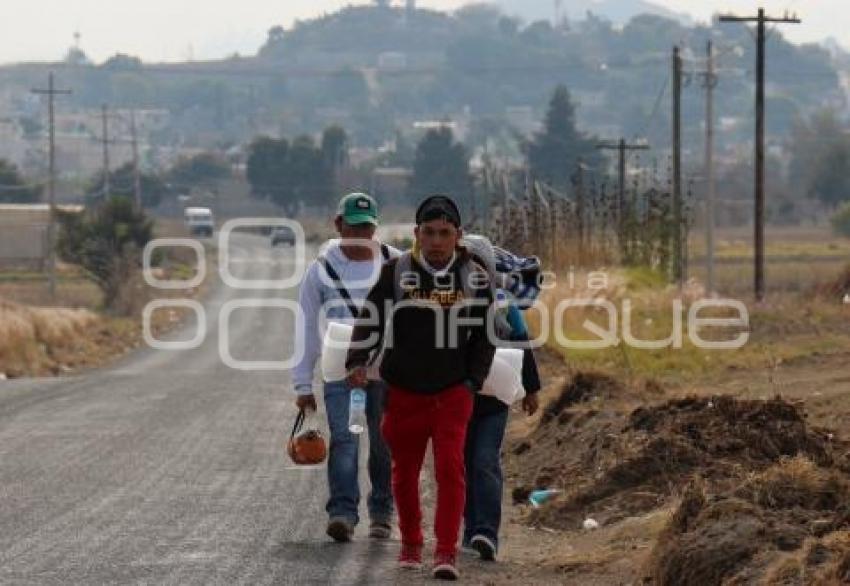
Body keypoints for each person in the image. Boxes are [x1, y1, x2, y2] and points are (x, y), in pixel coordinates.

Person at [346, 195, 496, 580]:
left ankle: (446, 553)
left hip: (452, 392)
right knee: (404, 472)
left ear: (458, 235)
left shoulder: (475, 277)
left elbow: (486, 335)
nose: (436, 241)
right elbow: (370, 320)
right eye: (428, 233)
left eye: (445, 233)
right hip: (404, 391)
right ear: (417, 234)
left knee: (450, 468)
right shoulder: (396, 272)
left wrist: (472, 382)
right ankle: (411, 544)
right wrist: (357, 360)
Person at [292, 192, 397, 543]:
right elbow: (306, 326)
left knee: (384, 444)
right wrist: (302, 385)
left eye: (367, 228)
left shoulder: (394, 263)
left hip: (384, 374)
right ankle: (342, 512)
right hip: (341, 376)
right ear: (339, 225)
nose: (361, 235)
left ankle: (382, 512)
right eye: (354, 227)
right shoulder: (321, 270)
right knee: (345, 441)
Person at [460, 235, 541, 562]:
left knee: (484, 460)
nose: (473, 270)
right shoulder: (446, 299)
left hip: (494, 401)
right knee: (462, 464)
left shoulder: (504, 302)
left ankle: (486, 532)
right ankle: (470, 529)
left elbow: (523, 343)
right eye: (467, 264)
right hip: (458, 398)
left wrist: (531, 389)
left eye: (478, 264)